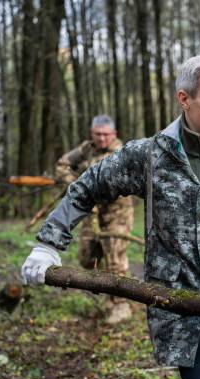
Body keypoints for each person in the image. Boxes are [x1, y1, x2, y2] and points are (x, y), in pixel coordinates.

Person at [21, 55, 200, 379]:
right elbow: (88, 186)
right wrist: (48, 244)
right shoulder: (151, 157)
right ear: (184, 99)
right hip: (185, 316)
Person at [55, 115, 135, 324]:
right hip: (91, 214)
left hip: (117, 213)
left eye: (105, 134)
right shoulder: (86, 149)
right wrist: (76, 185)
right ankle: (104, 292)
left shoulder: (123, 152)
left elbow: (125, 181)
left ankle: (120, 304)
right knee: (87, 256)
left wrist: (100, 189)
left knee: (115, 258)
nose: (101, 139)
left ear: (113, 134)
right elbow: (62, 165)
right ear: (92, 134)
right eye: (97, 134)